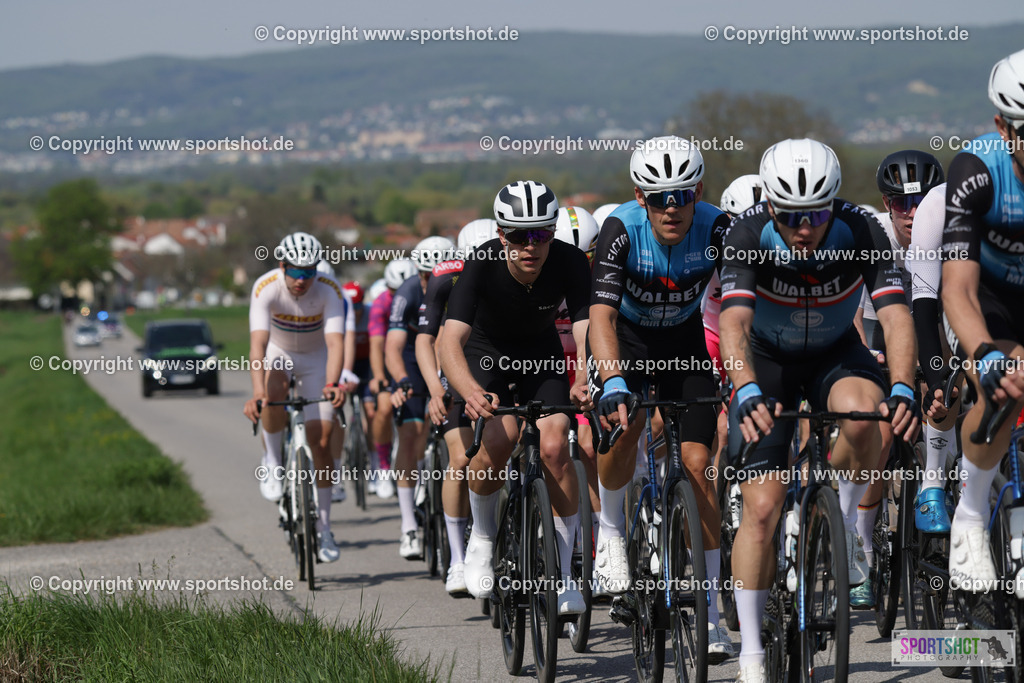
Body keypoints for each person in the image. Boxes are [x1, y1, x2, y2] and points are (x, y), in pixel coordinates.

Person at [719, 139, 919, 682]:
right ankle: (754, 651)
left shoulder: (861, 229)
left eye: (815, 215)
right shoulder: (746, 233)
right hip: (768, 360)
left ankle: (848, 528)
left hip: (835, 352)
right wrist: (743, 389)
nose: (803, 228)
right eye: (790, 217)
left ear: (834, 202)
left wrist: (902, 386)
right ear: (770, 205)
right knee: (760, 508)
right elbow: (733, 326)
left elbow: (896, 315)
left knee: (865, 412)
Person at [588, 135, 734, 661]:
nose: (672, 209)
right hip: (625, 342)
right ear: (639, 196)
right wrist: (613, 380)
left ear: (699, 191)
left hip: (683, 343)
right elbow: (600, 315)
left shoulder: (718, 227)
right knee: (624, 427)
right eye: (658, 198)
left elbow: (742, 306)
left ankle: (712, 612)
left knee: (698, 469)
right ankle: (609, 531)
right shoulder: (620, 230)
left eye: (683, 195)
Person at [439, 180, 591, 615]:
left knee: (556, 443)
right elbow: (450, 340)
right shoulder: (482, 262)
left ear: (553, 232)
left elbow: (584, 328)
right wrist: (467, 391)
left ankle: (563, 575)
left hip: (538, 352)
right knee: (497, 443)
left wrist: (582, 376)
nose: (531, 246)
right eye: (520, 236)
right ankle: (483, 539)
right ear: (502, 234)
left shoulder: (569, 261)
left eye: (541, 234)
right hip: (485, 351)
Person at [941, 48, 1024, 592]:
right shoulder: (977, 170)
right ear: (1002, 125)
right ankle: (969, 516)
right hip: (986, 303)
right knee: (1006, 382)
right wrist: (985, 354)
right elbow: (958, 289)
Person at [850, 150, 946, 609]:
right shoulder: (876, 236)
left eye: (922, 201)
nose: (911, 213)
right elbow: (858, 315)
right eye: (899, 202)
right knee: (881, 431)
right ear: (885, 204)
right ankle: (864, 552)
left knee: (949, 403)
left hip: (935, 335)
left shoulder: (952, 231)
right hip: (878, 336)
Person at [243, 231, 350, 564]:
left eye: (309, 271)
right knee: (273, 393)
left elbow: (335, 344)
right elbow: (258, 346)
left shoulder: (330, 289)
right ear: (282, 266)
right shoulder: (265, 288)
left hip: (316, 360)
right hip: (278, 353)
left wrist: (333, 383)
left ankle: (325, 527)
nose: (302, 280)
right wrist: (258, 392)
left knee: (321, 442)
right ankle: (274, 463)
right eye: (295, 271)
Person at [416, 219, 497, 595]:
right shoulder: (444, 279)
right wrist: (435, 388)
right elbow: (426, 339)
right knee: (462, 459)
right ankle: (457, 558)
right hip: (454, 371)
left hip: (496, 368)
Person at [387, 236, 456, 559]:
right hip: (414, 363)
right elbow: (392, 346)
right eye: (427, 275)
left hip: (449, 358)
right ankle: (407, 527)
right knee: (411, 434)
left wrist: (444, 383)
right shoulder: (409, 292)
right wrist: (401, 381)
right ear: (419, 272)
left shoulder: (458, 286)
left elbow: (450, 343)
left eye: (438, 273)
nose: (432, 281)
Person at [367, 259, 417, 498]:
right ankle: (383, 463)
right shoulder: (381, 303)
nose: (401, 296)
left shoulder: (421, 294)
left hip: (411, 355)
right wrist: (379, 377)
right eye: (395, 291)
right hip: (388, 357)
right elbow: (377, 345)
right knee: (384, 407)